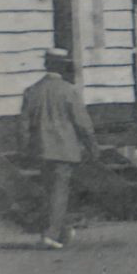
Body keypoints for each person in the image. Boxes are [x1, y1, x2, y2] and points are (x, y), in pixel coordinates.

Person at [22, 48, 98, 249]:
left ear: (46, 65)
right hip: (65, 150)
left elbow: (23, 126)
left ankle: (62, 231)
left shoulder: (31, 91)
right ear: (62, 67)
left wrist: (25, 150)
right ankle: (51, 234)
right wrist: (92, 147)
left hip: (41, 150)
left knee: (50, 191)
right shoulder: (69, 90)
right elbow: (83, 124)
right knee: (60, 192)